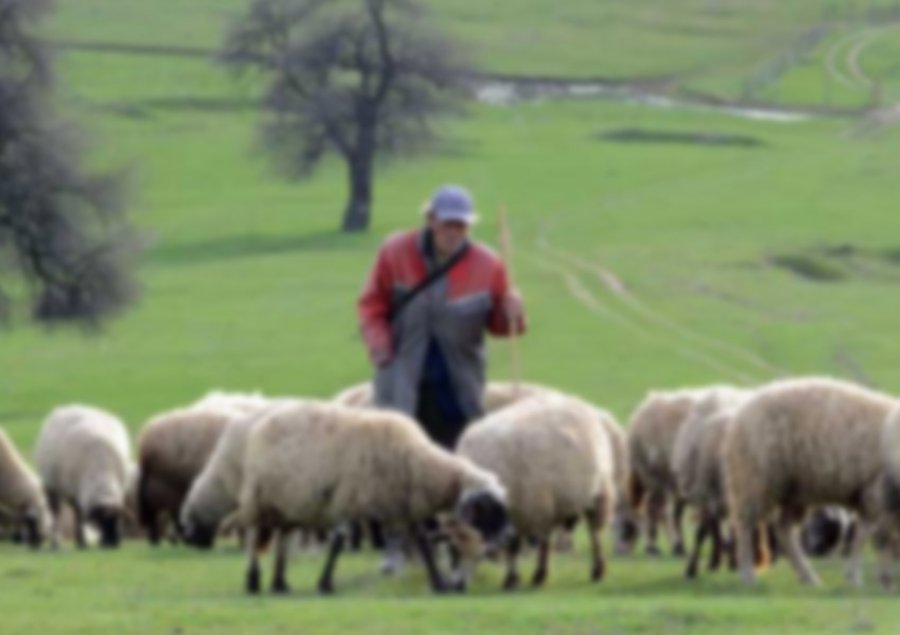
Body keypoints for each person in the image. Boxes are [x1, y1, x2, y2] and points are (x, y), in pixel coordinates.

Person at [358, 184, 526, 450]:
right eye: (448, 224)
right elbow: (371, 305)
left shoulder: (489, 265)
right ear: (431, 220)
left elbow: (500, 327)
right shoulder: (395, 252)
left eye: (461, 225)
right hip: (403, 375)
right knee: (400, 454)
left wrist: (512, 312)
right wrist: (380, 345)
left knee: (457, 455)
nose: (454, 232)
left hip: (458, 384)